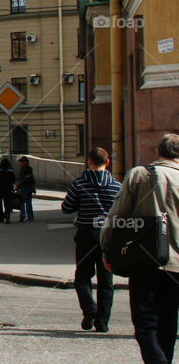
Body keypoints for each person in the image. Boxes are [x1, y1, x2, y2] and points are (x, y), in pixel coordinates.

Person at [101, 134, 179, 362]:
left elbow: (118, 214)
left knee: (145, 322)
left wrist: (107, 249)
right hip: (176, 264)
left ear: (158, 152)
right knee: (168, 322)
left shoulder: (139, 175)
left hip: (144, 258)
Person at [61, 147, 121, 333]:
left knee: (82, 276)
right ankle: (102, 321)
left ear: (89, 162)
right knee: (106, 278)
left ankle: (89, 309)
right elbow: (122, 211)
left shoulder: (79, 184)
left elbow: (67, 207)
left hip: (87, 234)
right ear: (108, 162)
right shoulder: (116, 186)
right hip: (107, 237)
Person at [16, 156, 36, 222]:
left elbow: (22, 179)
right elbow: (32, 179)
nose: (21, 163)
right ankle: (30, 216)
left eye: (22, 161)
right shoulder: (30, 169)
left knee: (22, 201)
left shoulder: (23, 169)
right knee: (28, 202)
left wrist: (17, 186)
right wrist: (33, 188)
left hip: (24, 186)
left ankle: (23, 214)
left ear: (25, 162)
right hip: (29, 186)